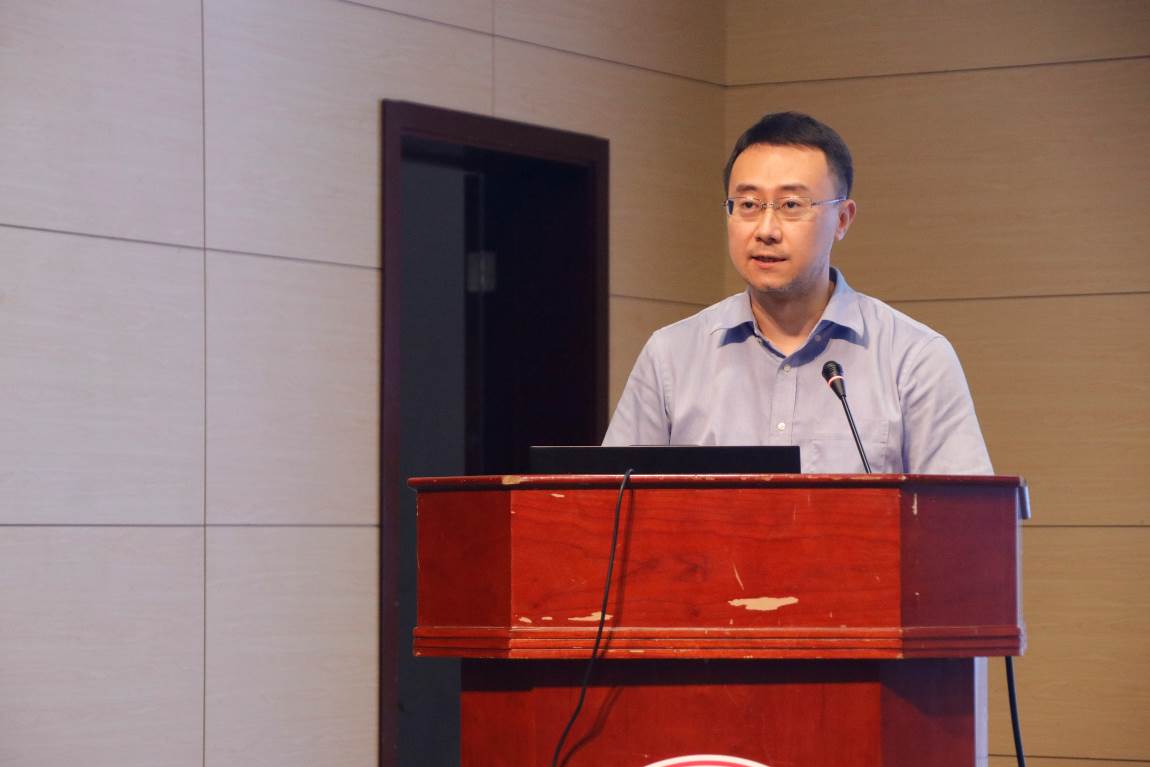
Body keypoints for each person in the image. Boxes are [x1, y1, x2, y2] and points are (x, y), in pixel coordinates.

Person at [603, 111, 992, 475]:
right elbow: (609, 505)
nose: (766, 230)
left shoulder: (914, 358)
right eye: (748, 204)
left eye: (791, 204)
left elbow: (964, 517)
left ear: (842, 219)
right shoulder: (671, 356)